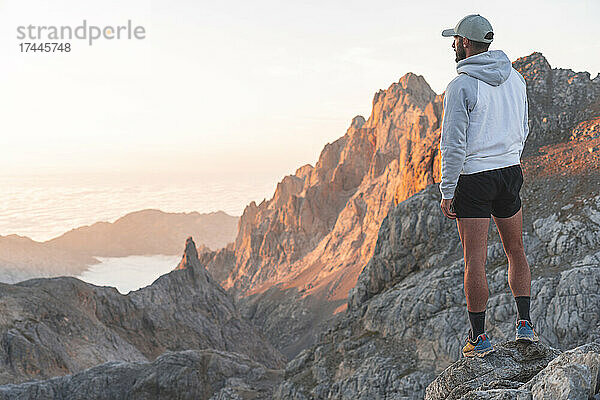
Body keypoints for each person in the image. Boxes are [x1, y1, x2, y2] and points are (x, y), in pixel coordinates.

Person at [438, 14, 539, 358]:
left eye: (455, 40)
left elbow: (452, 144)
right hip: (509, 171)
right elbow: (524, 127)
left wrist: (447, 190)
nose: (453, 45)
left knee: (474, 262)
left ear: (466, 43)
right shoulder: (517, 80)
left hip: (474, 179)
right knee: (516, 251)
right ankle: (525, 325)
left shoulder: (461, 86)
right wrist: (509, 155)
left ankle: (479, 339)